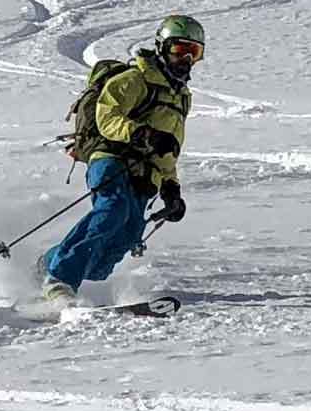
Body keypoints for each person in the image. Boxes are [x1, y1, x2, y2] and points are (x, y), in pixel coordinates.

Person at [40, 15, 201, 305]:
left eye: (194, 52)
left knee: (125, 237)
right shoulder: (136, 78)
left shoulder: (180, 98)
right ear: (162, 48)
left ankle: (47, 263)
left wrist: (171, 189)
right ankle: (59, 280)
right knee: (112, 210)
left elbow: (169, 148)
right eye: (179, 50)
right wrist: (142, 134)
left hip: (146, 172)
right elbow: (107, 116)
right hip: (112, 156)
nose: (186, 59)